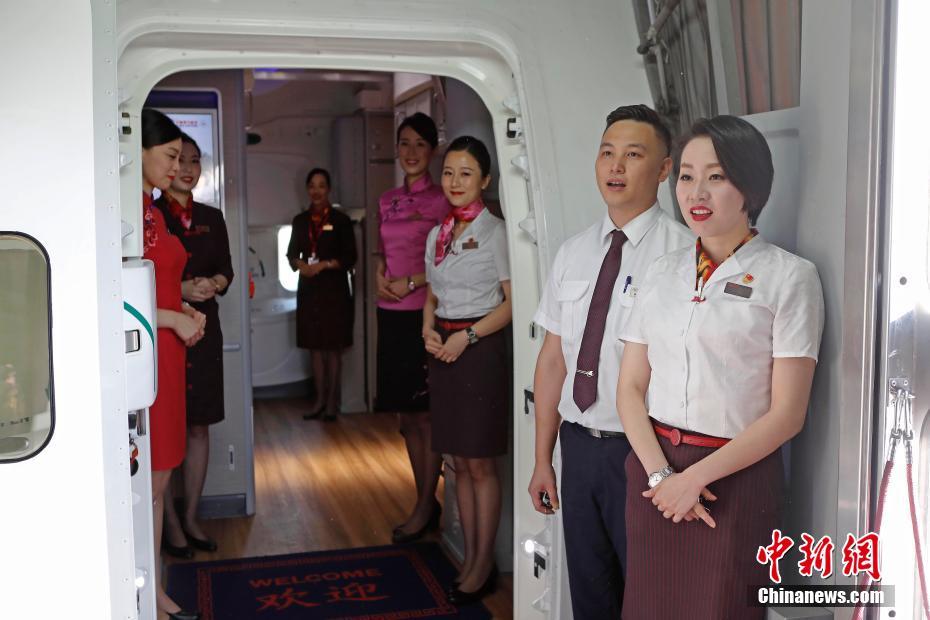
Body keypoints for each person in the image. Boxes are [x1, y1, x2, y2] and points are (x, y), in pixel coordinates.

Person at [616, 115, 824, 619]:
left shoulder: (790, 277)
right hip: (654, 474)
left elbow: (788, 414)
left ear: (750, 186)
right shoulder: (660, 272)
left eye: (717, 176)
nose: (697, 192)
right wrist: (663, 476)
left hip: (733, 479)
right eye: (686, 176)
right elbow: (630, 388)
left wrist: (693, 481)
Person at [528, 104, 693, 619]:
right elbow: (552, 360)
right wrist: (543, 459)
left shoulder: (685, 254)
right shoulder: (573, 252)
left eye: (633, 155)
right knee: (591, 596)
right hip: (578, 449)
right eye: (607, 153)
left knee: (649, 599)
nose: (615, 167)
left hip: (647, 454)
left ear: (664, 169)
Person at [423, 136, 511, 605]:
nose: (455, 182)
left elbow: (512, 304)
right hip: (444, 348)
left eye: (466, 173)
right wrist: (427, 329)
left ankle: (482, 562)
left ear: (485, 180)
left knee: (480, 463)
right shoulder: (439, 234)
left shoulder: (496, 232)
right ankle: (471, 559)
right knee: (458, 461)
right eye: (449, 172)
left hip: (478, 350)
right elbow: (433, 295)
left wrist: (468, 337)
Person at [155, 133, 234, 559]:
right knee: (165, 428)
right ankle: (169, 524)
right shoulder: (151, 214)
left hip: (204, 329)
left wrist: (212, 284)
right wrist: (182, 288)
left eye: (194, 160)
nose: (186, 168)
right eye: (179, 159)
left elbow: (227, 270)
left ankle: (190, 518)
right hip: (167, 330)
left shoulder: (211, 217)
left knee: (199, 425)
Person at [141, 108, 206, 620]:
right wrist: (172, 317)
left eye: (181, 159)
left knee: (159, 480)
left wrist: (181, 307)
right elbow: (117, 295)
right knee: (152, 481)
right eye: (168, 156)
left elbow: (153, 282)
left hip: (169, 346)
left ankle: (154, 586)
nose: (175, 167)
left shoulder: (153, 212)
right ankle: (149, 591)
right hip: (152, 350)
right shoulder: (130, 212)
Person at [376, 113, 450, 544]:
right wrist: (380, 275)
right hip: (389, 311)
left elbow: (449, 259)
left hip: (423, 312)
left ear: (433, 151)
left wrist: (413, 282)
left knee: (424, 416)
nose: (411, 152)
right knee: (405, 417)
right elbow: (383, 251)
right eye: (404, 143)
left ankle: (424, 504)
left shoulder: (442, 200)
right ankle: (425, 500)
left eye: (420, 144)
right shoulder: (387, 200)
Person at [286, 168, 358, 420]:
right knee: (314, 348)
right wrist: (300, 265)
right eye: (312, 186)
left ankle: (331, 404)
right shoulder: (300, 221)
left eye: (321, 186)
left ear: (329, 189)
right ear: (307, 189)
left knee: (333, 349)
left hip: (334, 291)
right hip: (309, 290)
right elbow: (291, 254)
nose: (316, 191)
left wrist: (324, 265)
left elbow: (350, 257)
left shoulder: (340, 220)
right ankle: (318, 401)